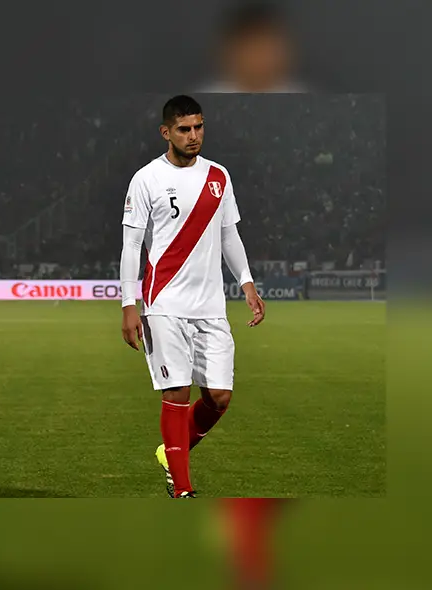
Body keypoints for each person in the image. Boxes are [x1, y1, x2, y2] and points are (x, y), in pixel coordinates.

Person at [119, 95, 265, 498]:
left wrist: (247, 282)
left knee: (219, 397)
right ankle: (181, 486)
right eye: (184, 129)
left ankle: (172, 453)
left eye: (199, 127)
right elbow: (131, 247)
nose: (194, 135)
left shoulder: (219, 176)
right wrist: (128, 304)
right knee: (177, 390)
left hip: (210, 305)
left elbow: (228, 233)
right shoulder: (146, 178)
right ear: (166, 132)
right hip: (162, 301)